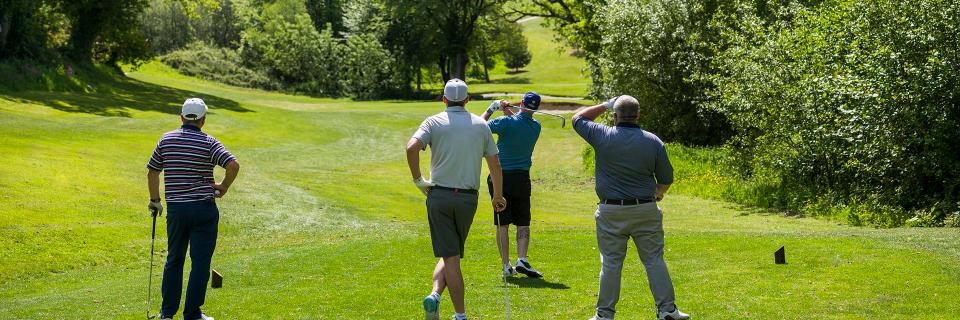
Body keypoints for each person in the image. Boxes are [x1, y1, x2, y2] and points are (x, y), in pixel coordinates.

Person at [572, 95, 690, 320]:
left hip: (610, 211)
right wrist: (659, 193)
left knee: (611, 264)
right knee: (654, 260)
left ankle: (604, 315)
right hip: (645, 209)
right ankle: (667, 310)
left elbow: (578, 117)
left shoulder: (602, 134)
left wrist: (606, 104)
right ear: (638, 115)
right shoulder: (653, 141)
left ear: (614, 116)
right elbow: (666, 177)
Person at [406, 79, 507, 320]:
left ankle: (444, 303)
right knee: (451, 254)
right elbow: (495, 165)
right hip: (467, 199)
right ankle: (449, 307)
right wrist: (498, 195)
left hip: (438, 196)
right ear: (467, 100)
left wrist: (418, 180)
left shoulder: (433, 122)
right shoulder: (480, 125)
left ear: (443, 100)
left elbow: (411, 148)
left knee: (450, 255)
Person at [147, 98, 240, 320]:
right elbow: (233, 165)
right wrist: (224, 186)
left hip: (177, 210)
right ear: (203, 120)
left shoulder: (166, 140)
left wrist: (155, 200)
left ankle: (167, 313)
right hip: (203, 210)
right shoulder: (209, 142)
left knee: (174, 259)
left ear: (181, 117)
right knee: (200, 262)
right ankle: (192, 314)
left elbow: (153, 171)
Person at [480, 92, 544, 278]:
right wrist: (507, 110)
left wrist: (494, 108)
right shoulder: (536, 127)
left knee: (503, 224)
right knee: (523, 222)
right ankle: (522, 259)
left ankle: (506, 264)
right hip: (522, 178)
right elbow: (519, 123)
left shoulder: (505, 123)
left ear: (522, 103)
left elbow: (480, 126)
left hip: (500, 177)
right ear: (536, 108)